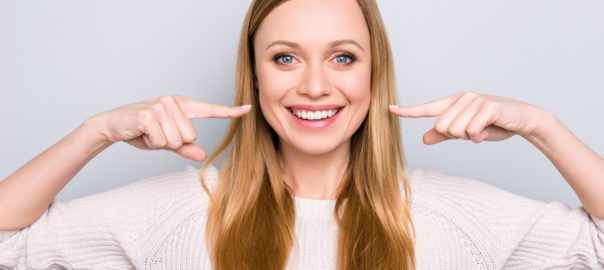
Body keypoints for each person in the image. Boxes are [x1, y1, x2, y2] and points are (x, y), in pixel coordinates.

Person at [1, 0, 603, 269]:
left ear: (374, 73)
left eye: (343, 58)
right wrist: (95, 132)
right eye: (286, 58)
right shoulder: (173, 212)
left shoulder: (455, 217)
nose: (315, 85)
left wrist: (541, 127)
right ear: (255, 75)